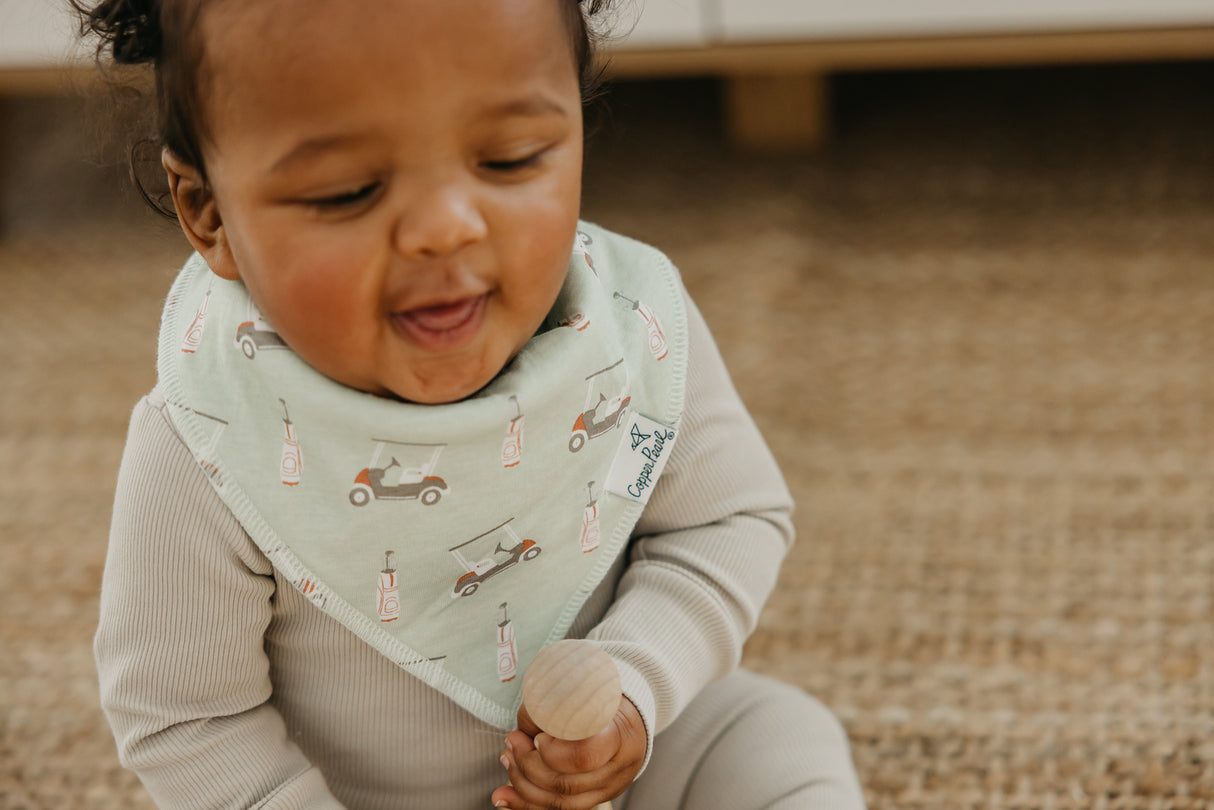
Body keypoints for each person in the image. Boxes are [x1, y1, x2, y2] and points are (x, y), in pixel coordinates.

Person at [78, 0, 868, 807]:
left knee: (777, 736)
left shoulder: (628, 335)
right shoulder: (210, 438)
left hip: (623, 778)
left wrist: (634, 685)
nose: (446, 228)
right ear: (208, 213)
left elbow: (724, 523)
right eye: (348, 191)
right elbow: (185, 719)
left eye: (510, 159)